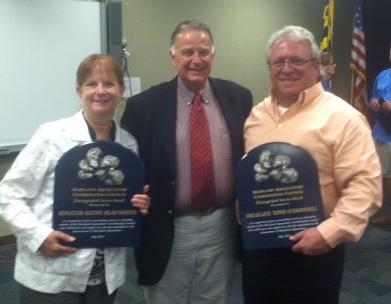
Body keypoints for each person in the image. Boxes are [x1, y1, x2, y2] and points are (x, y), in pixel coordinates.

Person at [242, 25, 382, 303]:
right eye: (278, 62)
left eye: (297, 60)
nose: (287, 68)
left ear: (316, 65)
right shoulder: (256, 116)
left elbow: (365, 188)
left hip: (314, 253)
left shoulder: (343, 118)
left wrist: (328, 234)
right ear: (269, 67)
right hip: (259, 252)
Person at [0, 54, 150, 304]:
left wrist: (139, 204)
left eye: (109, 84)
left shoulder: (129, 145)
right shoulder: (51, 136)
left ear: (121, 91)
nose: (100, 91)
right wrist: (39, 235)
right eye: (91, 84)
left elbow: (123, 202)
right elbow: (9, 195)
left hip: (104, 277)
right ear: (79, 91)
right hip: (51, 274)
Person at [120, 19, 252, 304]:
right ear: (172, 57)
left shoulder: (238, 97)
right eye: (187, 52)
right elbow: (127, 173)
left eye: (203, 52)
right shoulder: (143, 107)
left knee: (215, 298)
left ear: (213, 56)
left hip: (222, 224)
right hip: (169, 227)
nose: (196, 60)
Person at [369, 43, 391, 225]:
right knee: (385, 176)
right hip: (382, 134)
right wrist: (374, 103)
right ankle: (390, 214)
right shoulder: (382, 76)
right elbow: (372, 99)